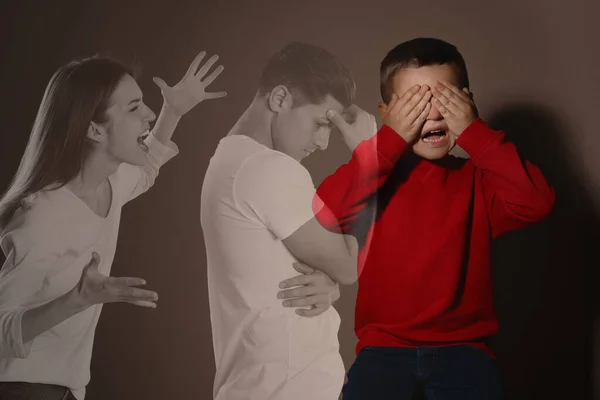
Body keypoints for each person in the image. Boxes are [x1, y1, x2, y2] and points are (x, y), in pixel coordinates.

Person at [313, 37, 556, 399]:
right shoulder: (373, 178)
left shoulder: (478, 180)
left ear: (467, 103)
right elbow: (326, 212)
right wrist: (390, 140)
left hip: (466, 353)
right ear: (387, 113)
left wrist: (476, 133)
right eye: (415, 104)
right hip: (384, 352)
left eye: (445, 100)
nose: (433, 114)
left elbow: (536, 202)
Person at [0, 50, 226, 400]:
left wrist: (174, 110)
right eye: (134, 108)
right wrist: (76, 301)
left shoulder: (109, 183)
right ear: (93, 129)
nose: (149, 114)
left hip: (66, 390)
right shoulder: (43, 216)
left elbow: (147, 169)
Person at [200, 42, 367, 400]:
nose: (323, 142)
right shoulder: (268, 168)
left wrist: (330, 282)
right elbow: (350, 265)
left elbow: (305, 268)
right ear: (279, 99)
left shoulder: (230, 159)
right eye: (321, 123)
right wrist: (369, 161)